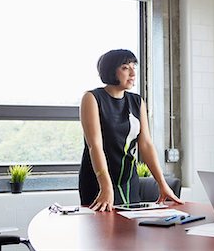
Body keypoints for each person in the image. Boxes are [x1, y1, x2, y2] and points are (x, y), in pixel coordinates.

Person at [79, 49, 184, 211]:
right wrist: (106, 187)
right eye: (125, 67)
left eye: (133, 66)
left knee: (129, 231)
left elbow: (146, 145)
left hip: (129, 180)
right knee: (102, 232)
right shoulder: (92, 98)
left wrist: (162, 184)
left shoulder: (137, 101)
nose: (133, 72)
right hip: (98, 180)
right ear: (110, 70)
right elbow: (95, 146)